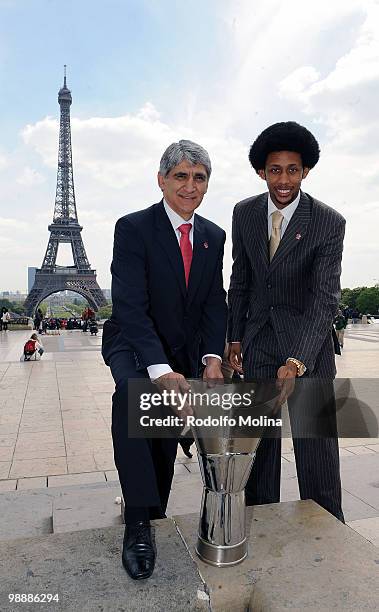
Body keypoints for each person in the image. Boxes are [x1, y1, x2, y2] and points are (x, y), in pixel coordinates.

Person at [102, 139, 227, 580]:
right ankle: (139, 522)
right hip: (135, 345)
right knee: (135, 401)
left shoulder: (213, 236)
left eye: (199, 177)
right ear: (161, 180)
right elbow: (130, 307)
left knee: (163, 432)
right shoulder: (134, 228)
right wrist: (161, 369)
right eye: (181, 176)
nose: (190, 186)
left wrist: (211, 356)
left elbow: (214, 302)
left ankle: (153, 513)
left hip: (182, 349)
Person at [228, 121, 346, 522]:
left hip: (308, 350)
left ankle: (330, 532)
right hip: (258, 346)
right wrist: (233, 338)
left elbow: (324, 298)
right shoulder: (243, 213)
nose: (283, 179)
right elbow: (239, 280)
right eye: (274, 170)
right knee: (257, 453)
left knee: (318, 456)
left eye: (292, 170)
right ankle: (260, 529)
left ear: (306, 171)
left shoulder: (329, 222)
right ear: (261, 171)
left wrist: (297, 360)